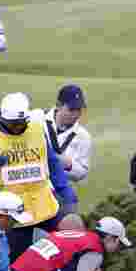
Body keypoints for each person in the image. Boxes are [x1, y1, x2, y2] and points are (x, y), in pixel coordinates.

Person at [0, 92, 77, 261]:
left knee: (71, 249)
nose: (17, 128)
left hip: (46, 207)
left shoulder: (37, 130)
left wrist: (68, 196)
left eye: (20, 123)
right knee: (16, 264)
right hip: (11, 215)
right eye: (13, 124)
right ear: (2, 118)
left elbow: (53, 164)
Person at [39, 85, 93, 214]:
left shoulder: (83, 136)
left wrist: (69, 166)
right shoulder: (37, 119)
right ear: (58, 105)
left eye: (79, 110)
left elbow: (82, 172)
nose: (76, 114)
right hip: (34, 191)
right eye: (71, 109)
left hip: (61, 195)